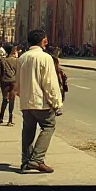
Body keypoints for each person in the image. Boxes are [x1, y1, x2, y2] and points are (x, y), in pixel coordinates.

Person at [15, 29, 64, 173]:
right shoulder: (45, 58)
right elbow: (50, 83)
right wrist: (56, 103)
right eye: (46, 40)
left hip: (26, 102)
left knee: (28, 131)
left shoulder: (22, 57)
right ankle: (36, 159)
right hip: (41, 102)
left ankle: (26, 162)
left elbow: (18, 83)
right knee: (48, 126)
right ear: (43, 41)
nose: (47, 42)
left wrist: (22, 95)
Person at [0, 45, 19, 125]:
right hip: (13, 82)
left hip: (4, 82)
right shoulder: (17, 61)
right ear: (13, 51)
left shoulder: (3, 60)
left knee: (5, 99)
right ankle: (10, 120)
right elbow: (19, 72)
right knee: (12, 99)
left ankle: (1, 118)